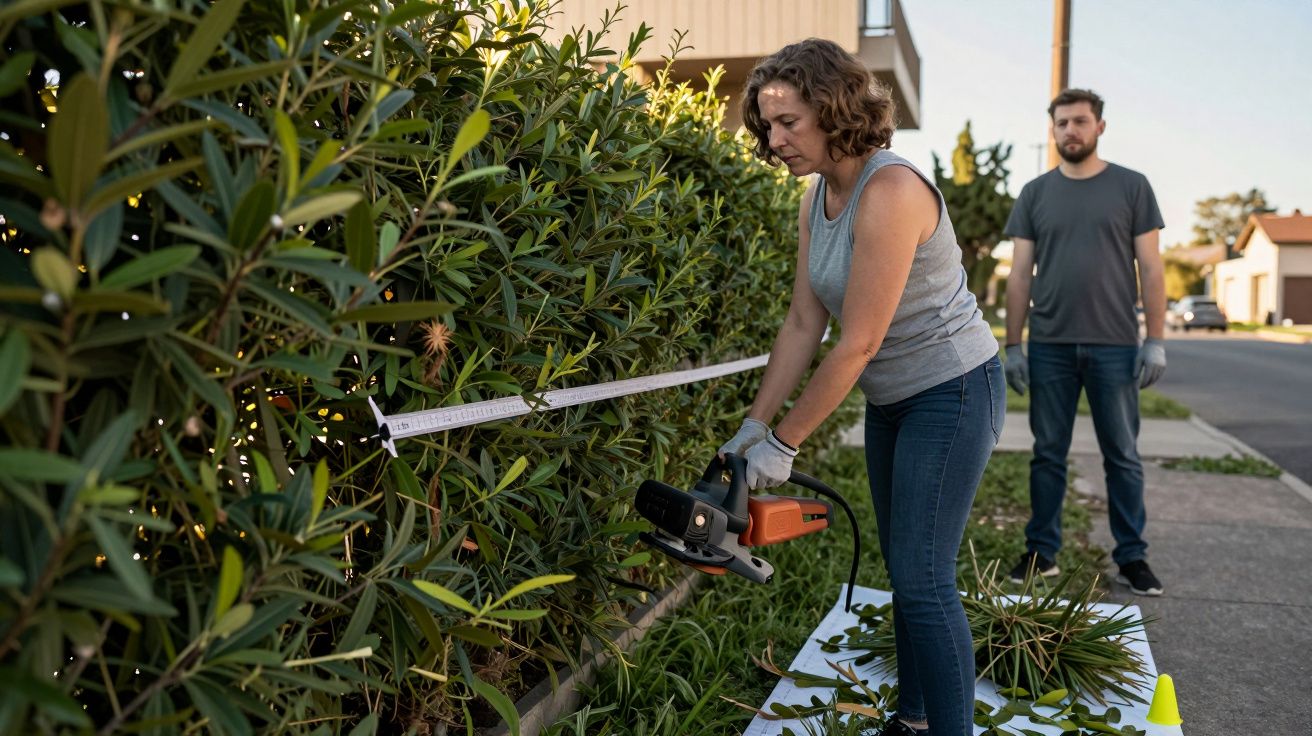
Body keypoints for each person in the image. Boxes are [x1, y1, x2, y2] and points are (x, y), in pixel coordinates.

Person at [716, 39, 1003, 736]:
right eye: (767, 125)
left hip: (954, 389)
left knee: (923, 577)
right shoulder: (817, 198)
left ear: (833, 107)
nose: (774, 139)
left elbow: (859, 342)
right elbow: (800, 321)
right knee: (906, 567)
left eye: (788, 122)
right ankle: (911, 721)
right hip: (893, 399)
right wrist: (753, 427)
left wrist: (785, 443)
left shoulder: (894, 190)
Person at [1002, 88, 1167, 596]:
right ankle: (1042, 552)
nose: (1070, 131)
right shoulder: (1034, 193)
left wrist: (1155, 339)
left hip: (1116, 345)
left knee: (1122, 454)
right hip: (1050, 344)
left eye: (1079, 121)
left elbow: (1152, 266)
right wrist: (1013, 345)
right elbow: (1019, 274)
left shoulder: (1132, 187)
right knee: (1048, 453)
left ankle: (1132, 557)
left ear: (1100, 127)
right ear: (1051, 131)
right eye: (1061, 124)